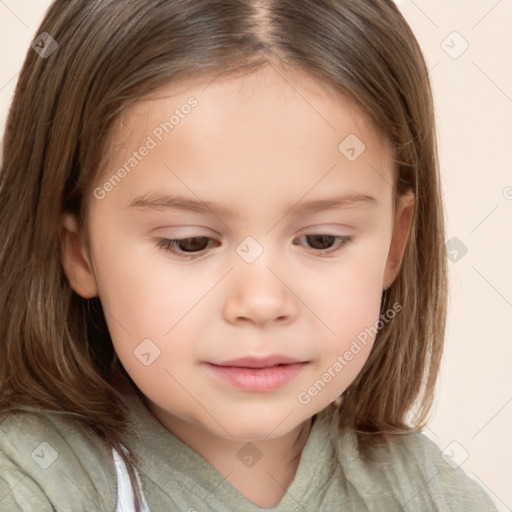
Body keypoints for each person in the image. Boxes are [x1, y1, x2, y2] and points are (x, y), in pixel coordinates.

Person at [0, 1, 498, 510]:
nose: (261, 302)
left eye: (322, 239)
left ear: (395, 243)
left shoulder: (431, 498)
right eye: (190, 242)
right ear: (80, 251)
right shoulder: (31, 482)